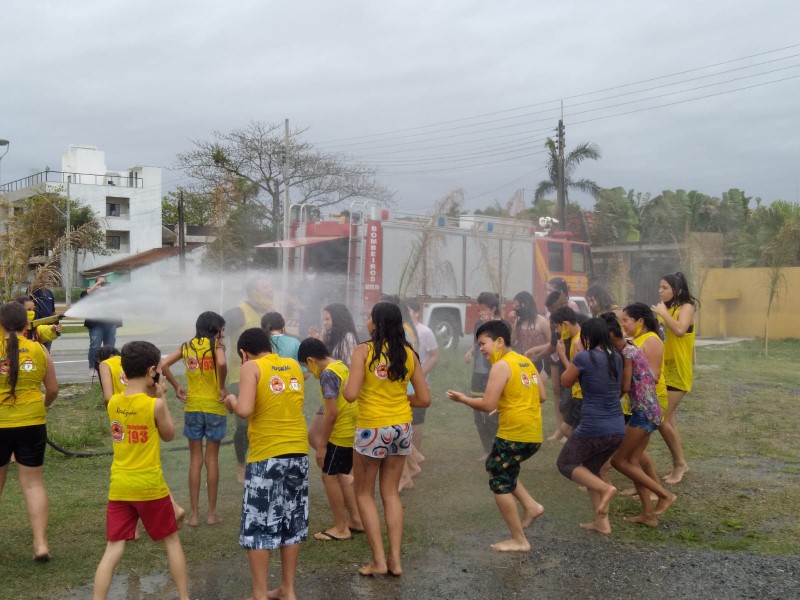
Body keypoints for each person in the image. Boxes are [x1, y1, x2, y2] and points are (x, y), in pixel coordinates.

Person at [92, 341, 189, 600]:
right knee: (171, 541)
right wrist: (162, 398)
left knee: (112, 550)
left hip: (120, 486)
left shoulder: (113, 402)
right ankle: (184, 597)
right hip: (150, 486)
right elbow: (168, 435)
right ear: (151, 371)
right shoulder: (153, 405)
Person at [342, 302, 430, 576]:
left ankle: (379, 561)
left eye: (370, 317)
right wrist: (400, 399)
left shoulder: (363, 351)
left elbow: (350, 394)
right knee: (390, 493)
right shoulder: (408, 354)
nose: (367, 321)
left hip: (372, 430)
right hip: (402, 429)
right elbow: (425, 399)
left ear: (377, 324)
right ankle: (396, 560)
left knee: (364, 493)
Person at [447, 320, 546, 552]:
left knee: (499, 479)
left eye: (484, 343)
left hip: (515, 432)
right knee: (499, 466)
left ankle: (519, 540)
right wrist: (507, 404)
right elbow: (540, 396)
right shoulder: (525, 362)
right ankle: (531, 506)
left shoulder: (501, 365)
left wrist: (463, 399)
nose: (481, 349)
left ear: (500, 341)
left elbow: (487, 402)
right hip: (532, 433)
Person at [224, 328, 308, 600]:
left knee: (259, 524)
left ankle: (260, 593)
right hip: (297, 451)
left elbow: (246, 410)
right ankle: (287, 589)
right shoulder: (293, 364)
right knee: (291, 520)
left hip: (267, 455)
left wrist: (232, 400)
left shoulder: (251, 367)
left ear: (243, 353)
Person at [603, 313, 676, 526]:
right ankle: (649, 515)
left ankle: (664, 495)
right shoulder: (629, 348)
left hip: (643, 412)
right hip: (648, 410)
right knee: (633, 462)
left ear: (609, 335)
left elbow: (625, 387)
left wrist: (608, 401)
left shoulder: (627, 353)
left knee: (618, 460)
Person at [0, 301, 59, 561]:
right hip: (32, 423)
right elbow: (53, 390)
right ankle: (40, 545)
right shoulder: (38, 350)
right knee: (33, 485)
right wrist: (40, 406)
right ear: (27, 324)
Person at [556, 318, 625, 535]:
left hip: (593, 427)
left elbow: (565, 382)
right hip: (617, 428)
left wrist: (572, 356)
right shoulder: (617, 357)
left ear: (587, 337)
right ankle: (601, 522)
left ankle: (606, 489)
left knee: (565, 463)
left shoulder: (585, 357)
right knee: (591, 471)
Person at [161, 311, 228, 528]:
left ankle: (194, 516)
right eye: (222, 329)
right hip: (214, 407)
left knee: (195, 460)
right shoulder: (216, 346)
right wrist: (221, 386)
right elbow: (223, 364)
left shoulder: (187, 346)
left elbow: (163, 365)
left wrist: (177, 386)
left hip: (193, 407)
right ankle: (211, 513)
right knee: (212, 460)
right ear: (214, 329)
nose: (223, 333)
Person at [297, 337, 363, 542]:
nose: (309, 371)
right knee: (343, 475)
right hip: (351, 430)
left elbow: (332, 413)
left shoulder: (327, 374)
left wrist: (322, 446)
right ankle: (356, 520)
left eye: (306, 366)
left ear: (310, 360)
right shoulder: (340, 365)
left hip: (340, 433)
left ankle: (341, 527)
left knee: (328, 476)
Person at [225, 277, 275, 483]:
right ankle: (241, 463)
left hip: (267, 375)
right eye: (265, 287)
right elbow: (217, 337)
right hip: (240, 377)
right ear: (253, 292)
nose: (270, 291)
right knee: (244, 426)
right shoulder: (237, 313)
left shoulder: (269, 313)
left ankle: (263, 462)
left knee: (265, 421)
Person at [651, 272, 697, 485]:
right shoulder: (666, 310)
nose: (660, 291)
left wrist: (663, 312)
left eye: (665, 288)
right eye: (660, 287)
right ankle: (680, 463)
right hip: (663, 370)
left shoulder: (686, 307)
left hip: (678, 371)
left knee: (661, 418)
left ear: (676, 290)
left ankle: (680, 464)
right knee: (668, 420)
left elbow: (680, 330)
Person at [308, 302, 359, 451]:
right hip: (331, 393)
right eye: (323, 319)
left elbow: (351, 367)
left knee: (328, 437)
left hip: (344, 397)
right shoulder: (331, 337)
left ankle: (339, 468)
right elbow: (322, 366)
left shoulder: (348, 338)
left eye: (327, 319)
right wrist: (317, 343)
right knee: (313, 435)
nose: (324, 323)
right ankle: (336, 466)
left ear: (338, 319)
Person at [464, 292, 506, 455]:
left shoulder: (503, 326)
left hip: (494, 375)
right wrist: (470, 352)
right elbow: (477, 344)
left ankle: (497, 449)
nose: (481, 313)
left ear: (493, 308)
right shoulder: (477, 324)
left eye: (484, 310)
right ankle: (486, 450)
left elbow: (504, 349)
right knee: (477, 415)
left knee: (492, 415)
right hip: (477, 374)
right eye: (479, 310)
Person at [551, 306, 584, 439]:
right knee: (566, 428)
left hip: (581, 395)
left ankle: (584, 452)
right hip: (577, 393)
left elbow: (574, 373)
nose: (556, 331)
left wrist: (562, 355)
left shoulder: (578, 342)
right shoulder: (576, 338)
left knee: (572, 430)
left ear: (565, 324)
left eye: (556, 327)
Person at [81, 276, 122, 378]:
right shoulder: (92, 293)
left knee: (110, 347)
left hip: (110, 324)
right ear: (95, 284)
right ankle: (93, 368)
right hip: (96, 325)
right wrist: (95, 287)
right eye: (99, 283)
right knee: (95, 346)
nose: (102, 285)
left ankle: (110, 368)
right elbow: (83, 296)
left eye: (104, 283)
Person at [508, 291, 550, 373]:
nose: (515, 309)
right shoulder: (518, 320)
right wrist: (512, 325)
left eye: (517, 306)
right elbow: (512, 342)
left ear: (526, 305)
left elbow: (552, 343)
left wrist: (536, 349)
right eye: (514, 306)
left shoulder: (541, 321)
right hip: (522, 361)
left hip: (539, 361)